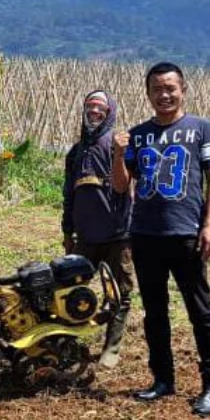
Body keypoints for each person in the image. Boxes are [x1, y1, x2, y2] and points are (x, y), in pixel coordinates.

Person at [111, 62, 210, 417]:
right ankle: (163, 379)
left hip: (186, 235)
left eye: (170, 88)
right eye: (157, 89)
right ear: (147, 93)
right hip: (146, 235)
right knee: (155, 313)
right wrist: (118, 153)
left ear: (183, 89)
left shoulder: (200, 129)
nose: (164, 95)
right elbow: (120, 185)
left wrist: (209, 226)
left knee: (200, 311)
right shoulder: (138, 135)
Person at [62, 90, 134, 369]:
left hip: (118, 234)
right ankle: (69, 340)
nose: (94, 112)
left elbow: (122, 186)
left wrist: (119, 154)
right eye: (89, 107)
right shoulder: (76, 152)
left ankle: (111, 347)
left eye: (100, 108)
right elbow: (69, 194)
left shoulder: (118, 146)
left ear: (109, 112)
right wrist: (68, 232)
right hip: (86, 236)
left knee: (119, 292)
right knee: (71, 289)